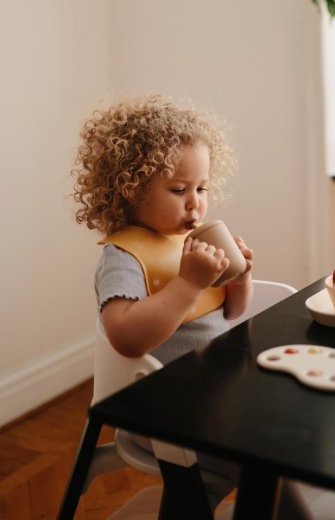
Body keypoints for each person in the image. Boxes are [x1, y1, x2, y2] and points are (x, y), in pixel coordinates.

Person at [72, 93, 314, 518]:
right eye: (178, 189)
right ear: (129, 191)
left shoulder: (189, 241)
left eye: (202, 188)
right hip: (162, 410)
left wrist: (240, 278)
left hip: (213, 395)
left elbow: (232, 313)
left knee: (284, 438)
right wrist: (188, 282)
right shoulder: (123, 257)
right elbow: (127, 339)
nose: (195, 202)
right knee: (267, 460)